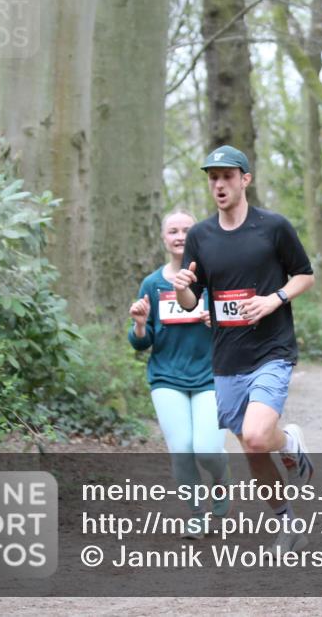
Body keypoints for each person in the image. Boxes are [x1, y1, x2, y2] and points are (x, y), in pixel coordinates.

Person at [172, 145, 316, 554]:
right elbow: (192, 301)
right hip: (227, 357)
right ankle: (288, 521)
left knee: (255, 438)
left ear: (245, 180)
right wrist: (183, 289)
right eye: (213, 177)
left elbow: (305, 276)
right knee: (251, 447)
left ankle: (284, 442)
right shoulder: (200, 235)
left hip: (272, 350)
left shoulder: (273, 227)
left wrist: (274, 299)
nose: (219, 184)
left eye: (227, 176)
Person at [128, 209, 231, 539]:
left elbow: (237, 326)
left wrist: (218, 323)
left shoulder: (213, 278)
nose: (180, 236)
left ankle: (220, 476)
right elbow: (141, 343)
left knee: (206, 448)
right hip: (166, 377)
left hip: (210, 375)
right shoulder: (153, 283)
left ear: (197, 235)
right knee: (182, 449)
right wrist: (140, 324)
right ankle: (196, 514)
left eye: (187, 230)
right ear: (163, 238)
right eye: (173, 230)